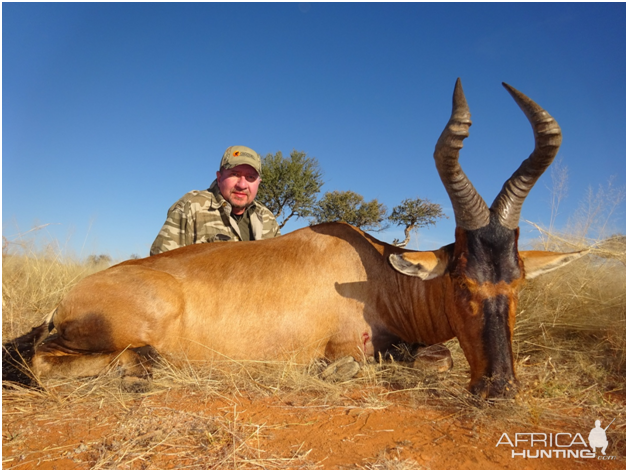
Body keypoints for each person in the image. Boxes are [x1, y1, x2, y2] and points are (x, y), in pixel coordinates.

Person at [150, 145, 280, 255]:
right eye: (234, 174)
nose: (242, 185)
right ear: (219, 177)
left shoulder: (267, 218)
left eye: (250, 177)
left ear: (258, 183)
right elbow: (160, 267)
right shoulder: (191, 206)